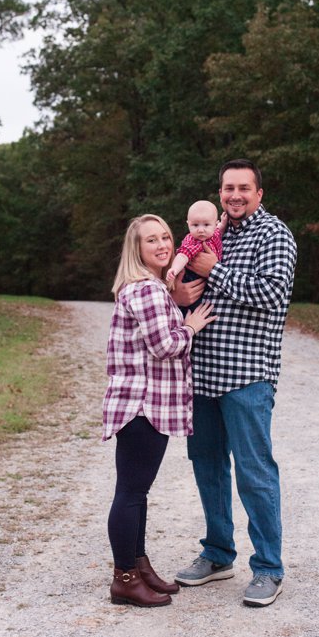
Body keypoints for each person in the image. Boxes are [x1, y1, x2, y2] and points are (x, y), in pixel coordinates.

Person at [171, 159, 297, 607]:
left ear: (259, 193)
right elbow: (178, 279)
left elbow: (272, 293)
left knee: (254, 472)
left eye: (244, 187)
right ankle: (218, 554)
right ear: (220, 192)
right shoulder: (207, 232)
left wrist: (214, 269)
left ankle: (268, 568)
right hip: (200, 374)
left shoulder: (274, 235)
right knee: (207, 466)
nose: (236, 195)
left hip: (247, 376)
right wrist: (178, 295)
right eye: (229, 188)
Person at [102, 214, 217, 608]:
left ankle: (139, 565)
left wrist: (175, 299)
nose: (163, 245)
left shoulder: (149, 288)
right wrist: (191, 326)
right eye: (151, 240)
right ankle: (125, 579)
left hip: (143, 406)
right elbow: (165, 345)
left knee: (137, 492)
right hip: (142, 407)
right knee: (131, 493)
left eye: (166, 236)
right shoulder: (146, 291)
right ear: (137, 249)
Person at [165, 200, 227, 294]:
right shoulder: (194, 242)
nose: (201, 230)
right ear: (188, 224)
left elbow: (220, 229)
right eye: (195, 225)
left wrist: (223, 223)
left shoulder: (214, 234)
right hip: (192, 279)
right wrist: (174, 269)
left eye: (206, 225)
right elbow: (182, 256)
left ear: (215, 224)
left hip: (210, 278)